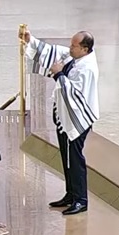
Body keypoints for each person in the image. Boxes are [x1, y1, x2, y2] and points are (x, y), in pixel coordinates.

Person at [24, 29, 99, 216]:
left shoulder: (87, 68)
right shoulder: (77, 57)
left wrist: (58, 75)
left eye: (74, 46)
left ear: (85, 48)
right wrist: (31, 40)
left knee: (75, 159)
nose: (70, 48)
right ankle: (71, 194)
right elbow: (56, 53)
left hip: (76, 121)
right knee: (66, 157)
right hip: (64, 117)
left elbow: (75, 94)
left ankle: (81, 200)